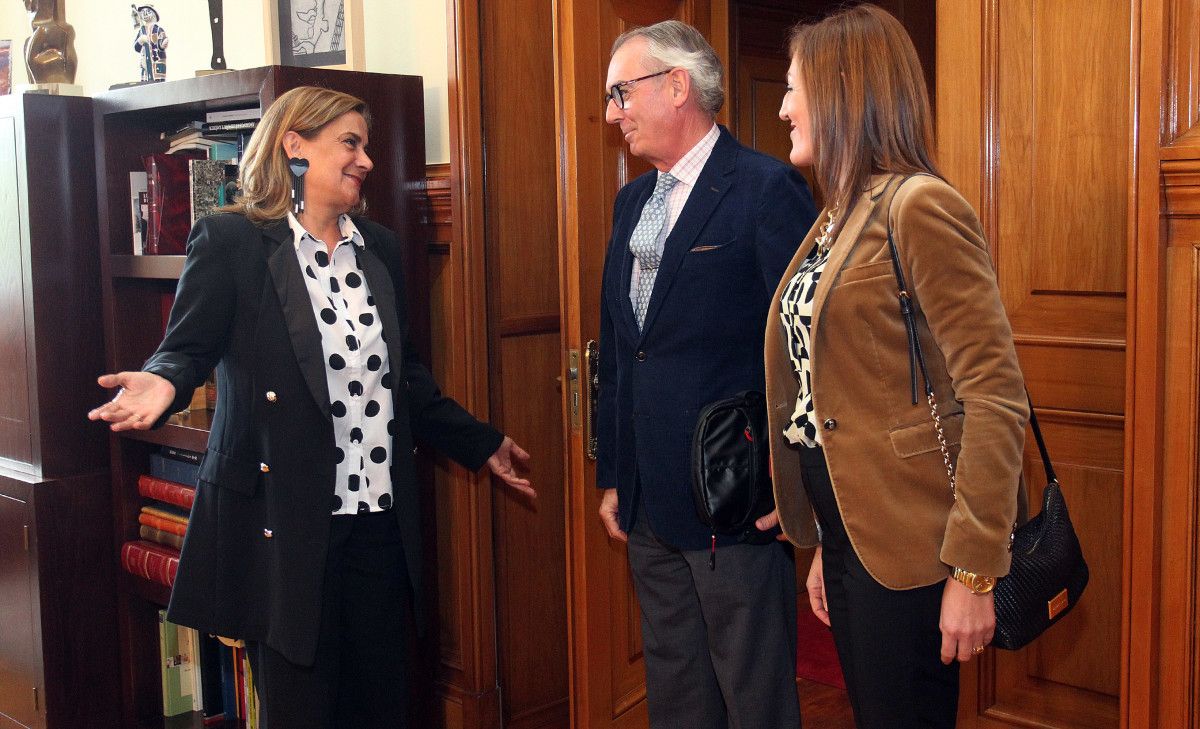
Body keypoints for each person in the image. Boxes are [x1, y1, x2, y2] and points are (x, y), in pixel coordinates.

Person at [88, 86, 534, 729]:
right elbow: (185, 350)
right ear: (294, 145)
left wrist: (480, 442)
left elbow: (404, 379)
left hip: (378, 526)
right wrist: (162, 382)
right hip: (287, 532)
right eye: (349, 143)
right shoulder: (233, 241)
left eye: (367, 146)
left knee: (386, 709)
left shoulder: (377, 248)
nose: (366, 161)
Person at [761, 4, 1029, 727]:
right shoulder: (834, 217)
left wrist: (974, 568)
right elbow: (832, 398)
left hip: (915, 544)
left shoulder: (919, 205)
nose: (784, 108)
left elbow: (996, 394)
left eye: (794, 88)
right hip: (852, 534)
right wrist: (825, 539)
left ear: (845, 88)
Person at [595, 20, 817, 729]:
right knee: (678, 694)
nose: (612, 113)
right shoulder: (632, 201)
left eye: (621, 93)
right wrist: (612, 471)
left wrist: (796, 477)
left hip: (734, 500)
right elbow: (621, 348)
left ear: (676, 86)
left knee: (755, 697)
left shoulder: (765, 188)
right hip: (648, 502)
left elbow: (807, 347)